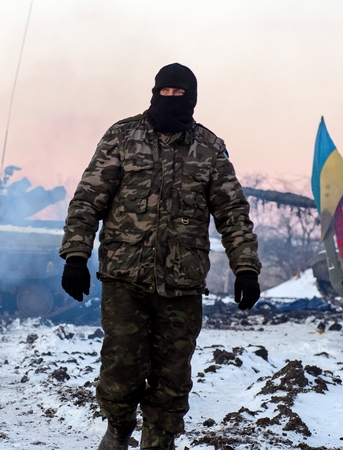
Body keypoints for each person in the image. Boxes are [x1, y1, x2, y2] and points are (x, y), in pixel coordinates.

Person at [59, 63, 262, 450]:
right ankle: (118, 429)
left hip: (182, 283)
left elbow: (233, 213)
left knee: (172, 376)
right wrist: (75, 256)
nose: (171, 100)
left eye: (179, 94)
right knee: (121, 368)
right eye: (164, 92)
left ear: (192, 98)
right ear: (153, 93)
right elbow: (88, 199)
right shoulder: (122, 136)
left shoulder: (209, 147)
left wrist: (246, 268)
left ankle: (159, 440)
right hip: (125, 278)